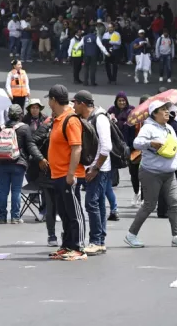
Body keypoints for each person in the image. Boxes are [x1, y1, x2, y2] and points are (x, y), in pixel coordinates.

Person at [125, 100, 177, 248]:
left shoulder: (169, 129)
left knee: (174, 204)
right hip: (151, 173)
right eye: (163, 110)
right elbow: (136, 143)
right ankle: (131, 235)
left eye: (167, 109)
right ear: (154, 113)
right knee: (149, 205)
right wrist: (150, 143)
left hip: (169, 173)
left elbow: (174, 151)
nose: (167, 112)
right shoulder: (148, 128)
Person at [45, 84, 87, 261]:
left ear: (53, 100)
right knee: (63, 212)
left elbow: (76, 148)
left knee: (74, 212)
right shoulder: (58, 119)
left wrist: (71, 174)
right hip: (57, 174)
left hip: (68, 175)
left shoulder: (70, 119)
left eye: (49, 99)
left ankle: (78, 247)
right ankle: (67, 245)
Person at [73, 90, 112, 256]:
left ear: (82, 104)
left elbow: (106, 147)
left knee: (91, 203)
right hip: (95, 168)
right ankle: (100, 241)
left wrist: (95, 168)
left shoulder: (100, 118)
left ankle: (95, 240)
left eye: (75, 103)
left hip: (98, 169)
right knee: (99, 204)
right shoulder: (89, 118)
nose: (73, 106)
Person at [0, 104, 42, 224]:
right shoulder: (24, 128)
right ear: (20, 115)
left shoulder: (1, 128)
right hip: (18, 163)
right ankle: (15, 217)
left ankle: (2, 217)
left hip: (3, 163)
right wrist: (40, 158)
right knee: (16, 190)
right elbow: (30, 145)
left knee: (3, 191)